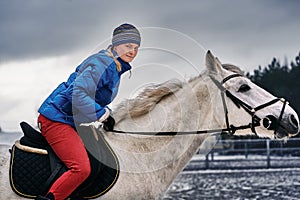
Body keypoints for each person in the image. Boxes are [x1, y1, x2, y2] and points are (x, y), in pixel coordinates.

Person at [36, 23, 141, 200]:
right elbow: (77, 94)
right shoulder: (103, 63)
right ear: (115, 45)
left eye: (137, 47)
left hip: (71, 120)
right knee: (81, 168)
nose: (133, 51)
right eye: (128, 46)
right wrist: (101, 114)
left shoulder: (115, 66)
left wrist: (105, 113)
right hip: (56, 120)